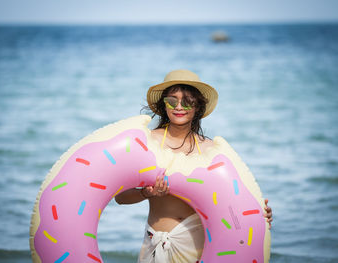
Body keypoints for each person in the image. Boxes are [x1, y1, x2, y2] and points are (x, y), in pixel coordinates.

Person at [115, 69, 273, 263]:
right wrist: (146, 193)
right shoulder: (148, 143)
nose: (179, 106)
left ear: (198, 106)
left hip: (196, 246)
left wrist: (257, 214)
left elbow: (229, 202)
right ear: (163, 105)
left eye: (188, 101)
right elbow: (120, 197)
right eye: (172, 100)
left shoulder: (209, 149)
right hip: (157, 241)